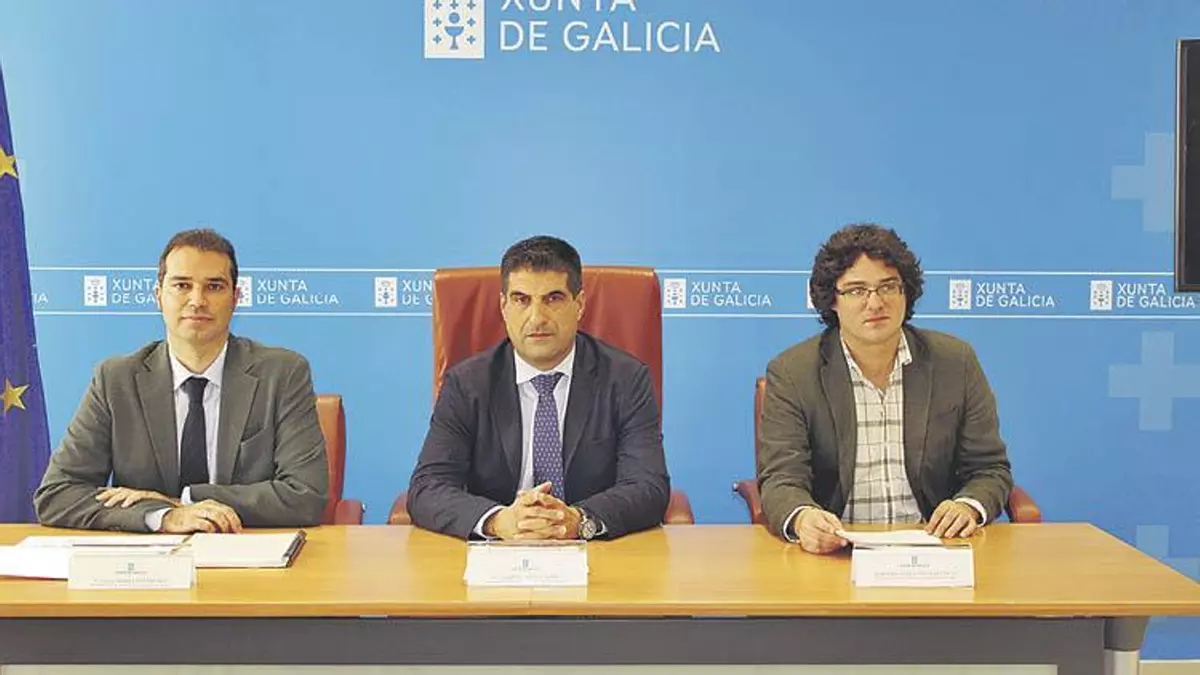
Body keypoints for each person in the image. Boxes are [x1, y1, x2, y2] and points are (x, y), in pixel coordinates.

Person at [34, 228, 328, 533]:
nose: (197, 300)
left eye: (214, 286)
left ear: (236, 298)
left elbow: (305, 496)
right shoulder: (116, 380)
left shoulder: (282, 374)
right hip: (146, 560)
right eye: (182, 285)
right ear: (159, 296)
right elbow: (57, 495)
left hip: (246, 552)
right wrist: (161, 517)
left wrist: (183, 501)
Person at [758, 223, 1013, 553]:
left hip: (934, 549)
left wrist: (967, 506)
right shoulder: (793, 373)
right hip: (838, 551)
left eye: (888, 286)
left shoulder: (955, 362)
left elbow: (989, 469)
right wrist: (804, 518)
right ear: (831, 300)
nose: (875, 302)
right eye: (856, 290)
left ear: (906, 292)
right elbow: (781, 479)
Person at [408, 235, 670, 541]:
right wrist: (497, 521)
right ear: (503, 307)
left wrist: (577, 520)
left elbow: (648, 486)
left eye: (553, 299)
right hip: (498, 551)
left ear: (579, 305)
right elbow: (428, 488)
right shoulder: (467, 384)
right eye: (521, 300)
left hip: (595, 553)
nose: (537, 318)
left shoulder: (626, 379)